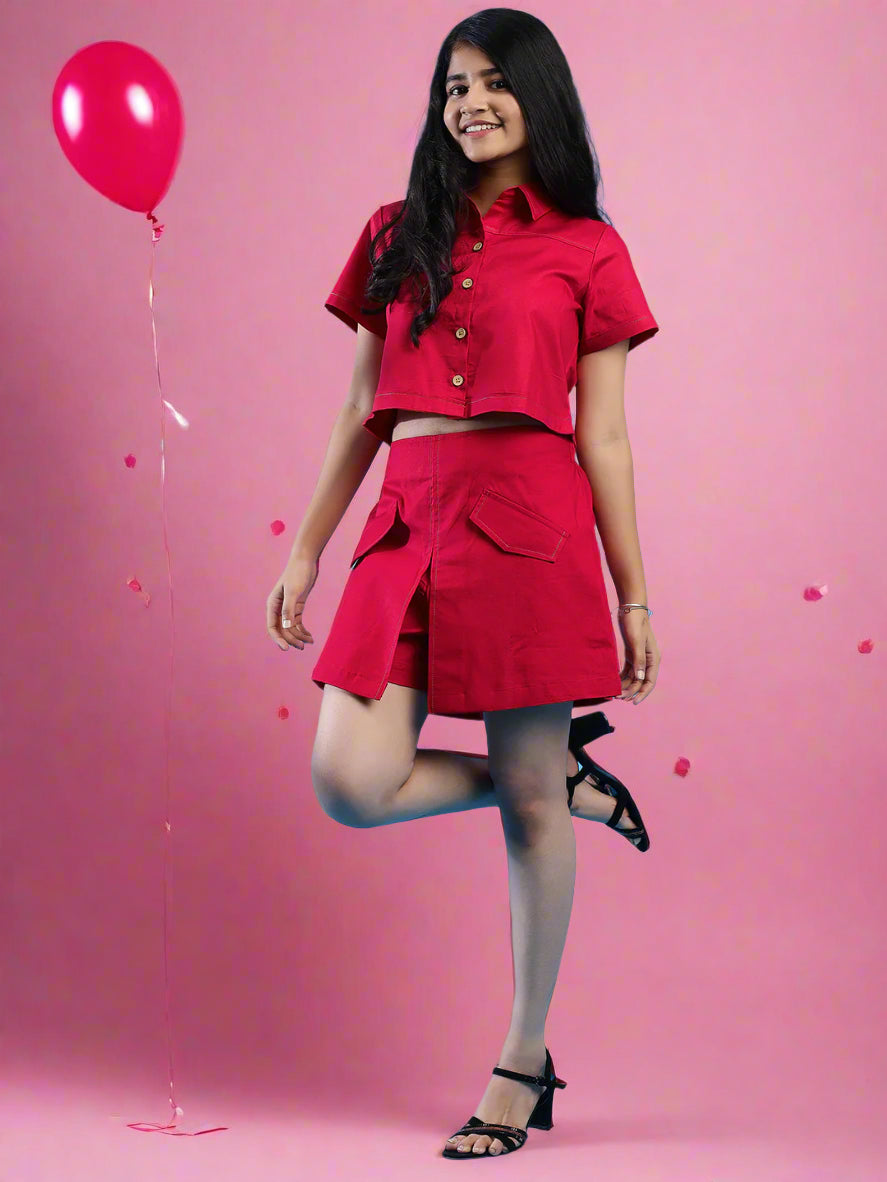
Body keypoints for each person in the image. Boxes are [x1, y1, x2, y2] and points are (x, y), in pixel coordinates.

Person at [265, 8, 662, 1161]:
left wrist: (633, 597)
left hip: (529, 526)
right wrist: (306, 548)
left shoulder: (588, 248)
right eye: (452, 86)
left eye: (492, 82)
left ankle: (521, 1059)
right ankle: (557, 783)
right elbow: (358, 406)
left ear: (540, 95)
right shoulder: (395, 231)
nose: (469, 103)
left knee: (529, 814)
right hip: (406, 518)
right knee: (350, 779)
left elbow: (605, 438)